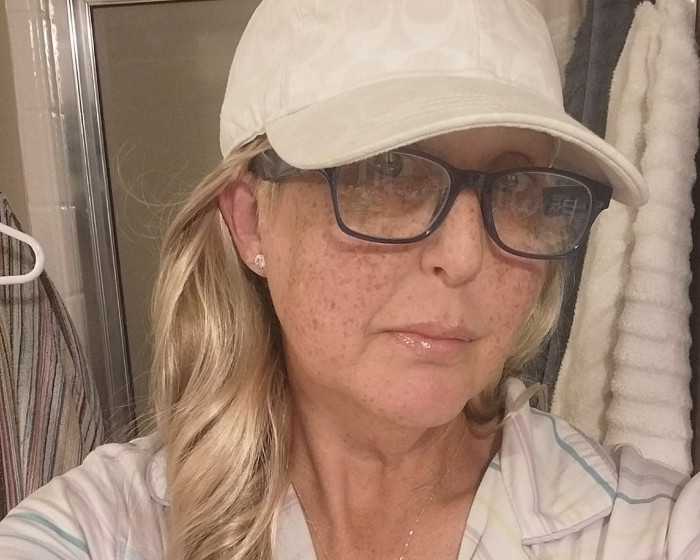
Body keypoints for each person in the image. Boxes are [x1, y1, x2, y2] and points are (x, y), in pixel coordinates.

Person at [1, 0, 699, 558]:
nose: (465, 256)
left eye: (516, 185)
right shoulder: (105, 529)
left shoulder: (639, 529)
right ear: (252, 222)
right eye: (386, 172)